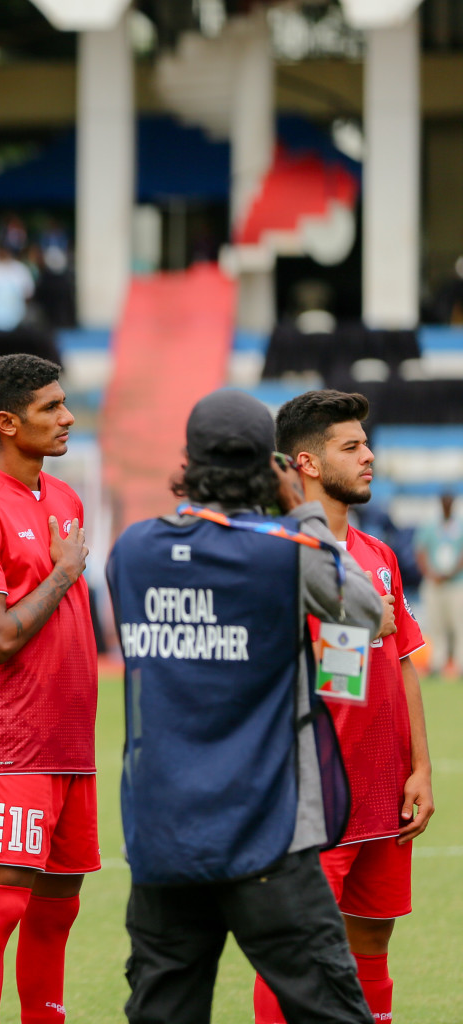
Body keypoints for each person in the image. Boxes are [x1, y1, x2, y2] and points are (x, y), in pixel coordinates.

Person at [106, 388, 386, 1024]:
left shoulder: (134, 550)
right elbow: (368, 613)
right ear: (273, 466)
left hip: (163, 837)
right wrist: (303, 515)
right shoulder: (286, 551)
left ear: (187, 458)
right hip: (268, 835)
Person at [251, 390, 435, 1023]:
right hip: (315, 795)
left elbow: (401, 662)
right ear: (306, 462)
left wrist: (421, 770)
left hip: (385, 789)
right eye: (351, 447)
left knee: (373, 943)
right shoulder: (277, 554)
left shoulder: (379, 556)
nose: (369, 457)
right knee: (293, 950)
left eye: (367, 443)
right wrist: (355, 626)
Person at [0, 352, 97, 1024]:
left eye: (64, 403)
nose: (66, 418)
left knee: (59, 910)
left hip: (70, 739)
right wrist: (63, 572)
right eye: (50, 409)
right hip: (20, 742)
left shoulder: (63, 497)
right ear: (7, 423)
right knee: (4, 903)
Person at [414, 492, 463, 679]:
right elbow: (420, 551)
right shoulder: (431, 525)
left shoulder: (460, 524)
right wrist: (430, 573)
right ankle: (437, 663)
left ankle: (459, 665)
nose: (447, 505)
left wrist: (452, 572)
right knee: (436, 624)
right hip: (434, 582)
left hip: (457, 582)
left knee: (459, 624)